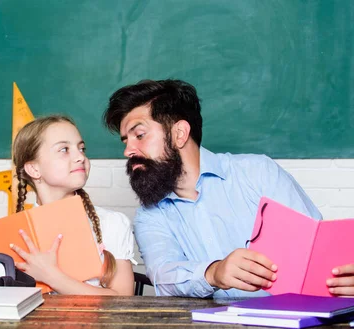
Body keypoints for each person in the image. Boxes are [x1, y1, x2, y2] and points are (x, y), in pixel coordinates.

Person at [102, 79, 354, 298]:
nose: (128, 151)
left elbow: (316, 252)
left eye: (140, 135)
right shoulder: (150, 215)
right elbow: (163, 277)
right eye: (126, 141)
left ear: (179, 133)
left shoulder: (258, 173)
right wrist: (214, 272)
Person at [0, 115, 136, 295]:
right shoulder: (11, 234)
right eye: (64, 149)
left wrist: (51, 276)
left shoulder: (112, 223)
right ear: (34, 169)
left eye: (82, 148)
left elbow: (123, 299)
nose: (80, 157)